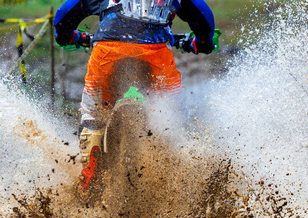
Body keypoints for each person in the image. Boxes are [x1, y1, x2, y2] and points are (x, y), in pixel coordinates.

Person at [54, 0, 217, 199]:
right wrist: (203, 42)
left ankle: (89, 177)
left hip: (108, 50)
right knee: (173, 117)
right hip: (156, 53)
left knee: (92, 113)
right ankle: (173, 182)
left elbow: (64, 14)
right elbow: (202, 14)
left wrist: (66, 37)